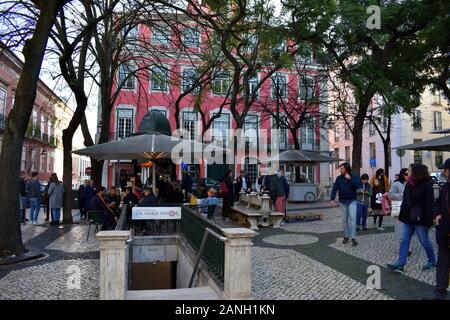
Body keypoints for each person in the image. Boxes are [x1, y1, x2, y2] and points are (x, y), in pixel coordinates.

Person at [387, 164, 436, 273]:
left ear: (416, 172)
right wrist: (402, 216)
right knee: (404, 240)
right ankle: (400, 263)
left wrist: (427, 221)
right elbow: (405, 201)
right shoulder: (409, 183)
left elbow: (429, 204)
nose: (408, 172)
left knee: (424, 241)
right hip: (408, 218)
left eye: (409, 170)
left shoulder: (427, 185)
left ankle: (432, 260)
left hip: (420, 219)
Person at [330, 163, 360, 246]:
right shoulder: (339, 178)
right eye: (340, 168)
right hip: (342, 201)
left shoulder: (353, 176)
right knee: (344, 220)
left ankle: (353, 238)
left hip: (352, 201)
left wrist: (350, 179)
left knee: (353, 219)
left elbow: (358, 186)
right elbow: (334, 188)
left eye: (342, 168)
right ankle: (346, 236)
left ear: (346, 169)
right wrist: (332, 199)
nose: (340, 170)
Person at [433, 158, 450, 300]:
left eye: (445, 170)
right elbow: (437, 203)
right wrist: (437, 213)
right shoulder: (446, 187)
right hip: (444, 230)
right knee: (443, 260)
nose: (444, 172)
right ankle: (441, 288)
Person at [390, 168, 411, 255]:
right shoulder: (396, 184)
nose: (408, 176)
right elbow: (391, 195)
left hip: (408, 208)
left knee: (408, 229)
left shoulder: (410, 184)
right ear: (402, 175)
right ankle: (402, 248)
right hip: (398, 207)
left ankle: (408, 248)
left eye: (409, 174)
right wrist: (403, 195)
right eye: (406, 174)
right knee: (399, 229)